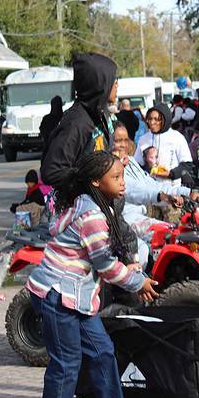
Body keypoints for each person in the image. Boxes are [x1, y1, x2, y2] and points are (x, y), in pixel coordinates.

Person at [27, 151, 158, 398]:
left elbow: (103, 255)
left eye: (122, 176)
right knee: (66, 363)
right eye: (116, 177)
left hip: (77, 297)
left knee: (103, 352)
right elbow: (106, 267)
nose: (123, 182)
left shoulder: (94, 204)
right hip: (58, 295)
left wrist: (129, 267)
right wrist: (137, 282)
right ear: (97, 182)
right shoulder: (93, 216)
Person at [41, 53, 140, 267]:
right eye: (113, 81)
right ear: (99, 84)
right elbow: (51, 171)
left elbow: (98, 155)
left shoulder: (100, 114)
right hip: (85, 215)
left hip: (106, 206)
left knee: (138, 250)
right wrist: (91, 175)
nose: (117, 86)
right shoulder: (76, 122)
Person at [134, 103, 194, 187]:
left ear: (165, 119)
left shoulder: (177, 137)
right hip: (150, 190)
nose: (152, 122)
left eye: (156, 119)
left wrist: (170, 174)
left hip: (172, 189)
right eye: (150, 119)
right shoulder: (143, 139)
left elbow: (187, 165)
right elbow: (138, 164)